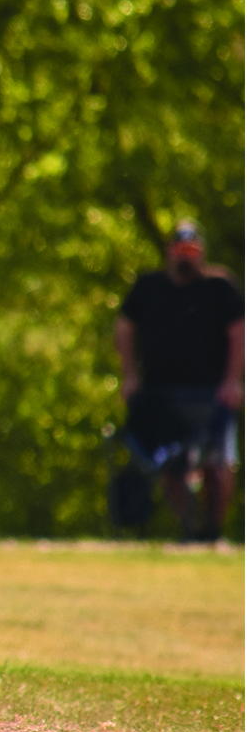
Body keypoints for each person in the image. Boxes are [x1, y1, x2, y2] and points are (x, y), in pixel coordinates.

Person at [114, 220, 244, 542]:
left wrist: (233, 381)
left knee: (218, 465)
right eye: (180, 250)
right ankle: (189, 530)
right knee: (168, 467)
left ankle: (213, 531)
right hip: (161, 396)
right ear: (170, 251)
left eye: (192, 250)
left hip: (210, 396)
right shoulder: (148, 287)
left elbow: (238, 333)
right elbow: (124, 328)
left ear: (201, 253)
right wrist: (130, 376)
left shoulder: (219, 288)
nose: (186, 257)